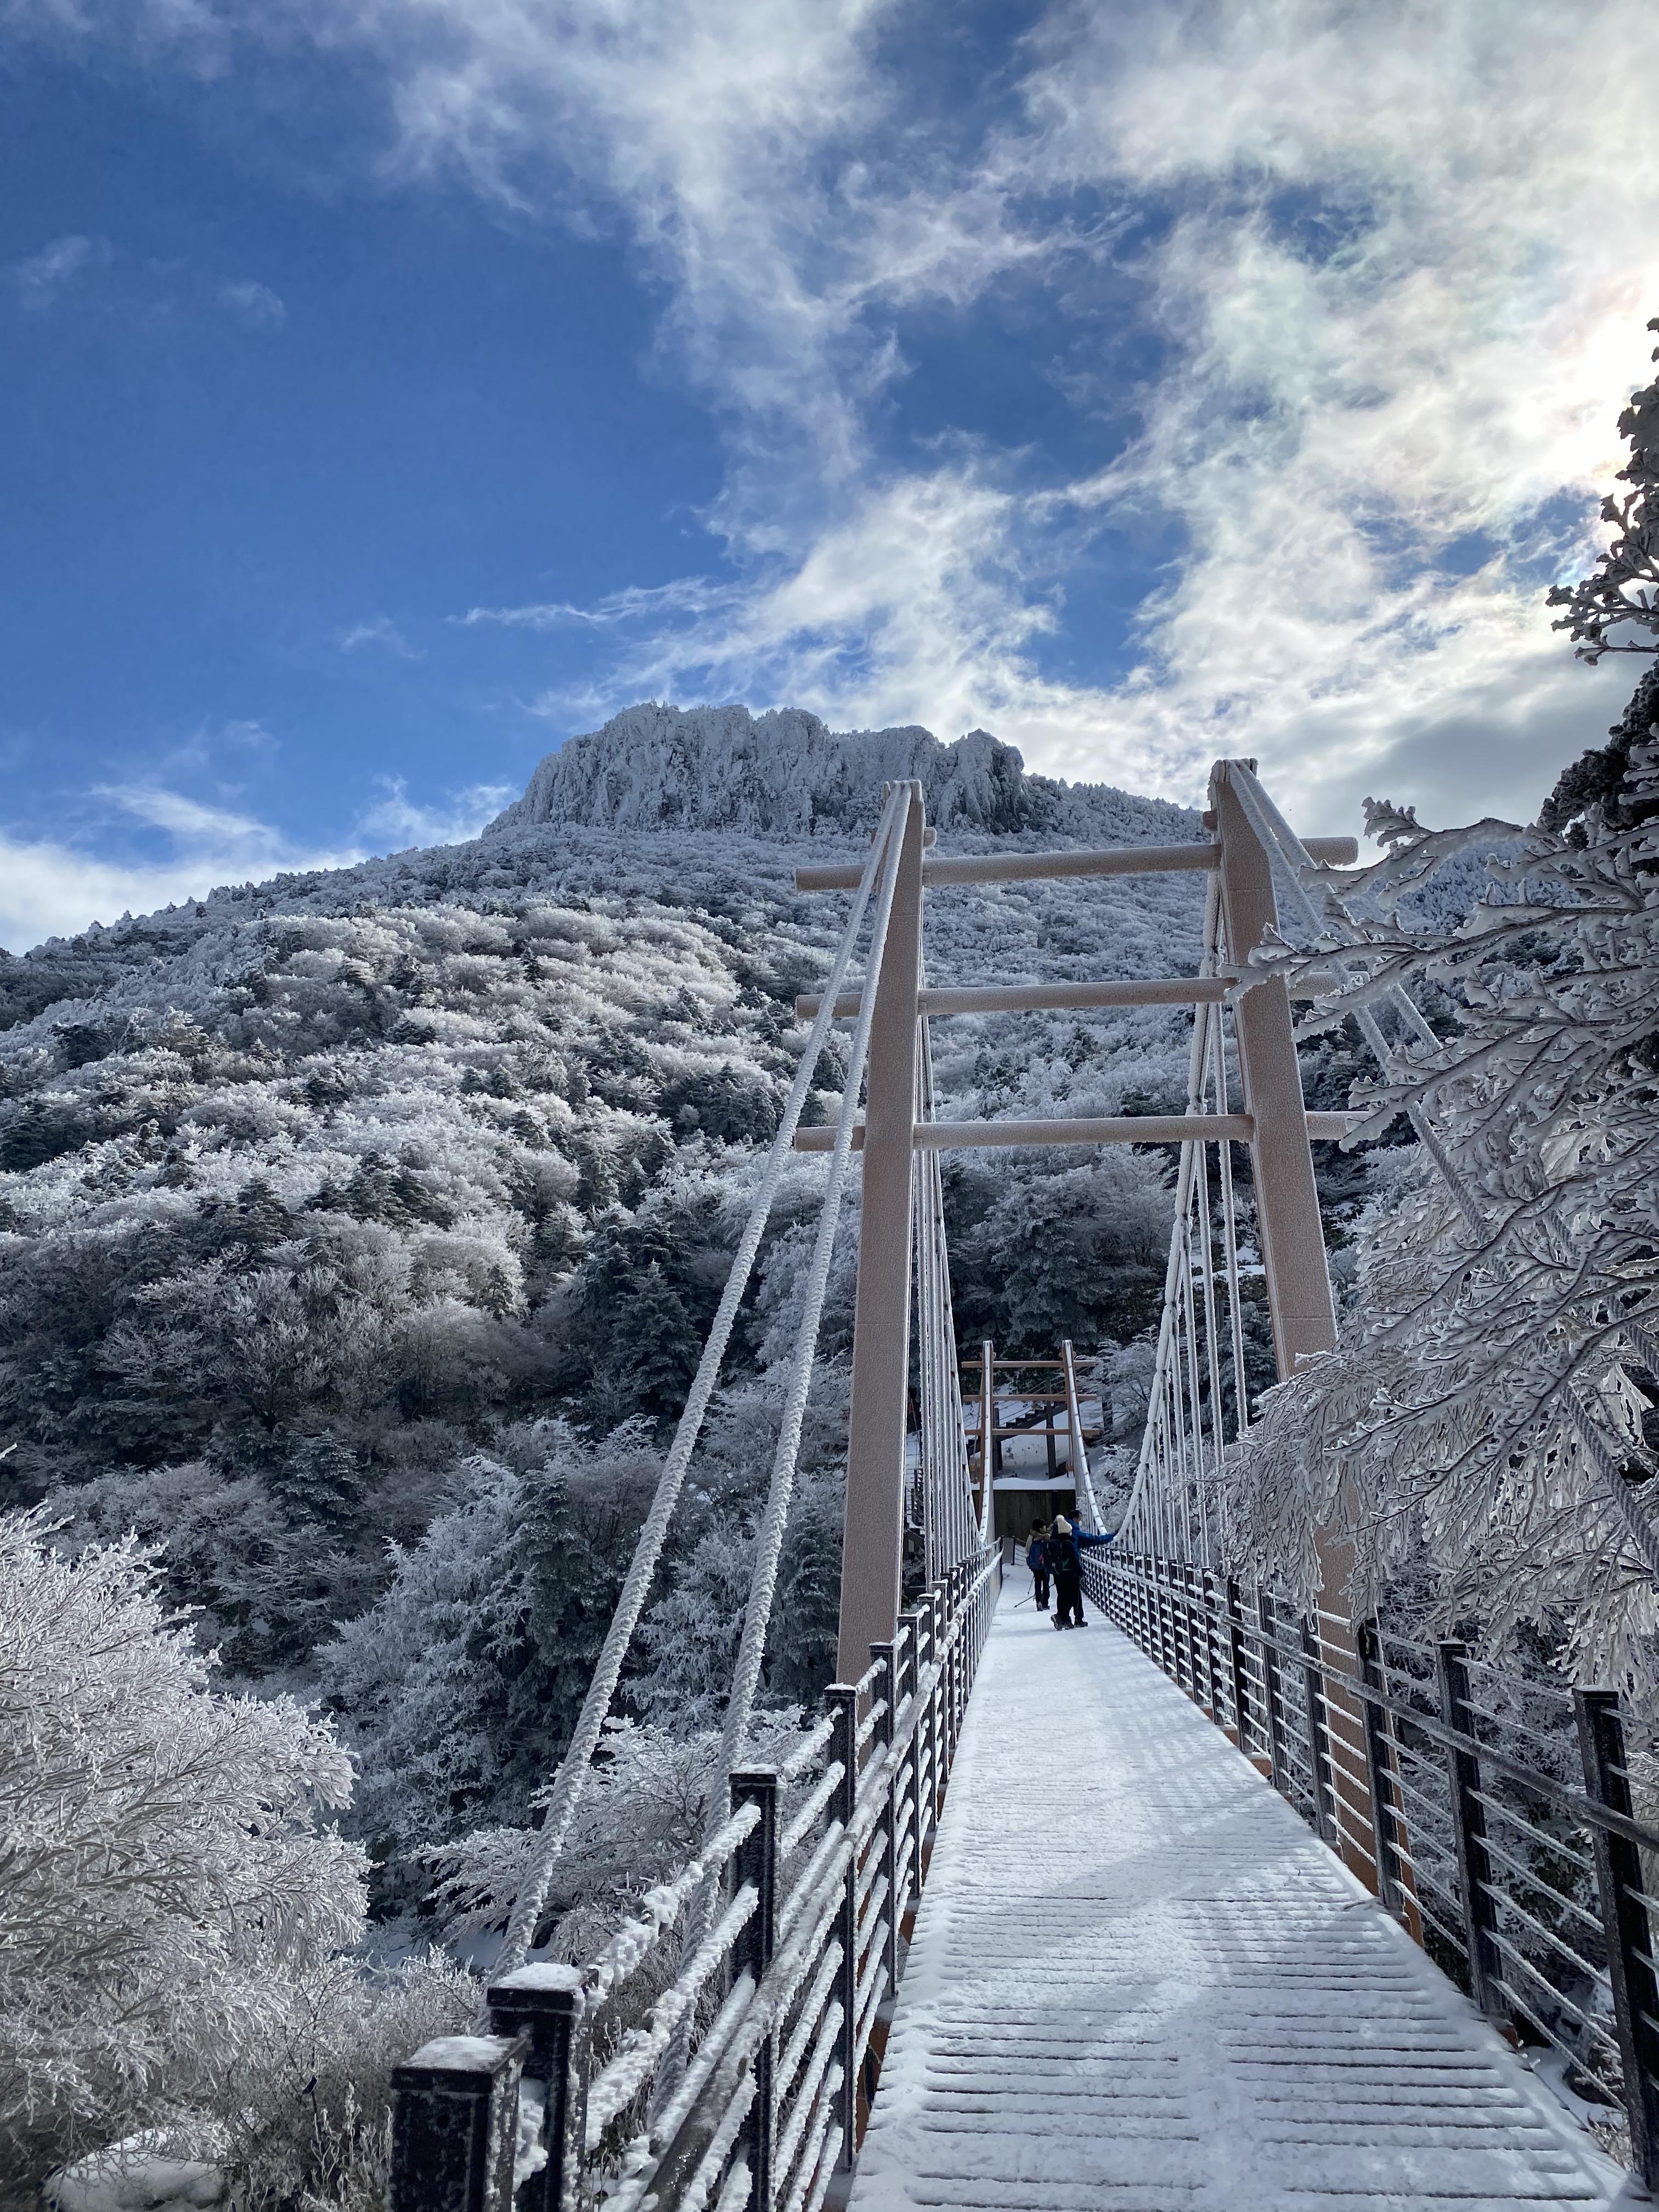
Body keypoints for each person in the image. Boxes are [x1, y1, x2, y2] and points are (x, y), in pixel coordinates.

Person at [1047, 1512, 1113, 1630]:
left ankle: (1065, 1620)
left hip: (1058, 1573)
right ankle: (1072, 1618)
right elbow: (1074, 1559)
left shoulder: (1055, 1540)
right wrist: (1080, 1572)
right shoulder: (1069, 1543)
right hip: (1071, 1573)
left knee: (1062, 1596)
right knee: (1075, 1596)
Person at [1025, 1523, 1051, 1611]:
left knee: (1038, 1583)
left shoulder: (1031, 1537)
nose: (1045, 1528)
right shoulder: (1047, 1538)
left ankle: (1038, 1602)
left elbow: (1027, 1550)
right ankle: (1045, 1603)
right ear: (1040, 1528)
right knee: (1046, 1584)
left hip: (1035, 1566)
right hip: (1045, 1565)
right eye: (1044, 1526)